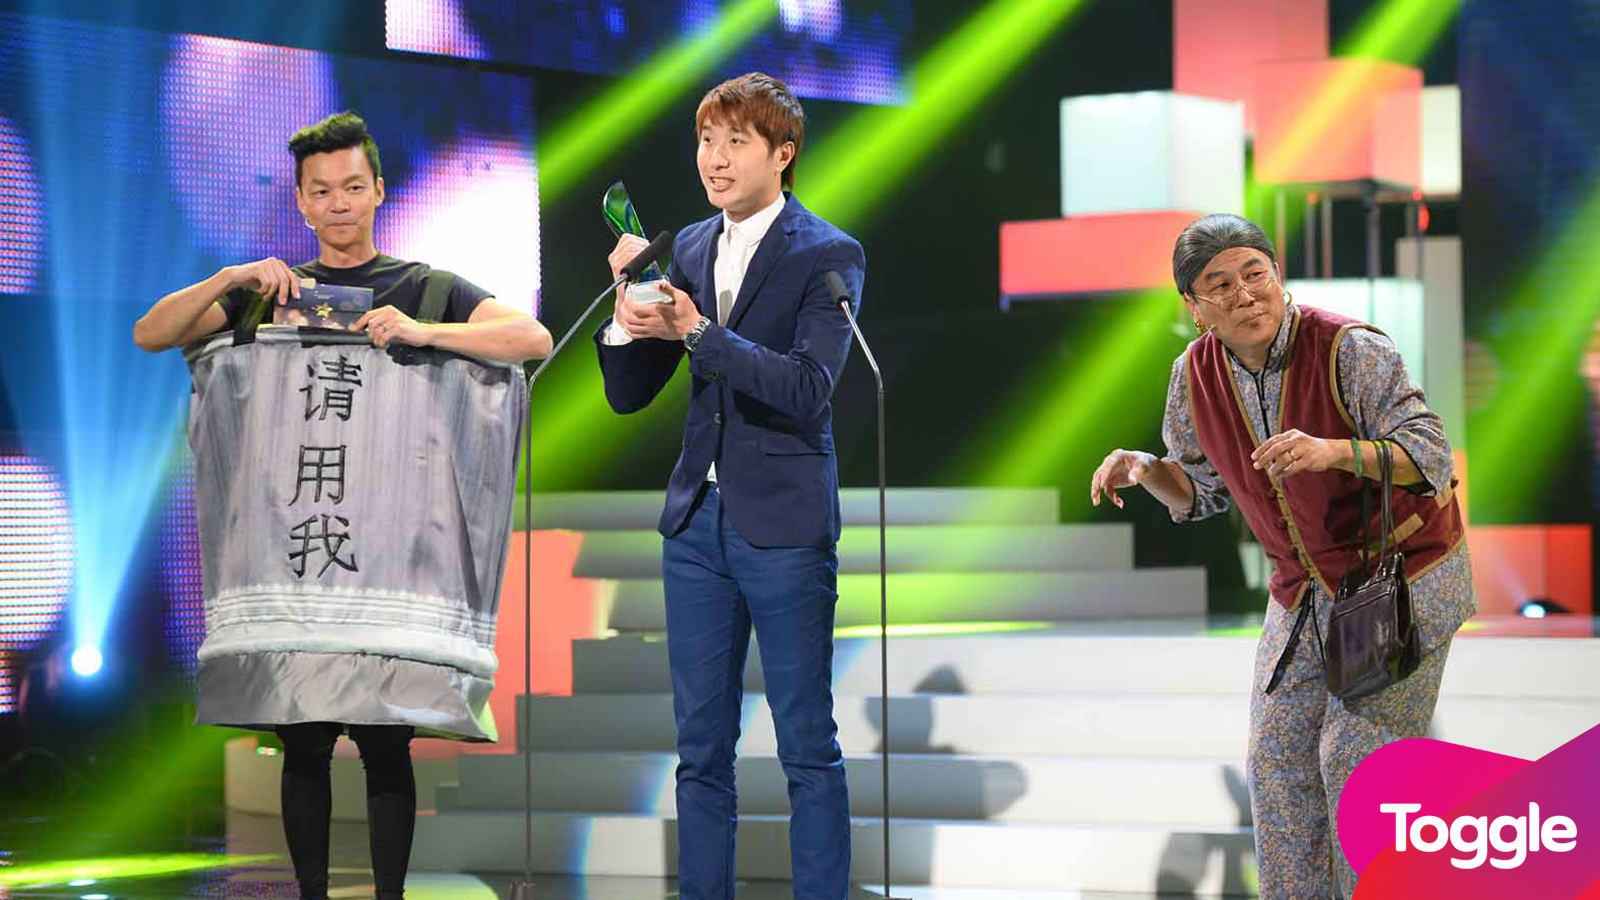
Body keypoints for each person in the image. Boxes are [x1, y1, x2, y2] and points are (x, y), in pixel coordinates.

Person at [134, 111, 550, 900]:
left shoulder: (427, 288)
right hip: (297, 557)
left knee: (387, 745)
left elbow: (531, 339)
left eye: (352, 187)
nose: (338, 204)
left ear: (378, 190)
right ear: (300, 201)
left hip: (389, 559)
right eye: (321, 191)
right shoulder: (270, 295)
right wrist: (230, 280)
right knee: (305, 741)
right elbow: (151, 334)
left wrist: (425, 332)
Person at [1089, 214, 1474, 898]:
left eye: (1255, 274)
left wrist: (1333, 452)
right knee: (1276, 768)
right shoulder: (1194, 374)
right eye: (1220, 285)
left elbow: (1431, 457)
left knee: (1354, 767)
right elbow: (1201, 489)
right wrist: (1148, 469)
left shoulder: (1349, 348)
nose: (1244, 294)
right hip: (1304, 591)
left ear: (1277, 275)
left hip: (1400, 578)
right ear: (1193, 306)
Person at [593, 72, 864, 900]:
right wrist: (624, 313)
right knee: (700, 749)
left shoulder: (827, 254)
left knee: (805, 744)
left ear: (782, 154)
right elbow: (630, 394)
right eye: (706, 140)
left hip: (782, 523)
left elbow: (807, 387)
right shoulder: (689, 246)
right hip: (696, 525)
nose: (714, 158)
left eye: (735, 142)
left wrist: (698, 330)